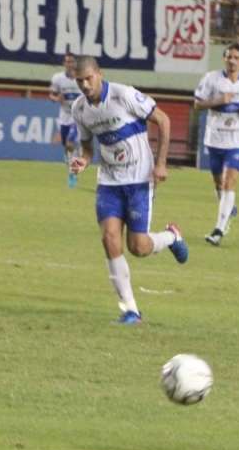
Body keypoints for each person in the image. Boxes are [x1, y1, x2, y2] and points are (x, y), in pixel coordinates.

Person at [68, 56, 190, 324]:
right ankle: (131, 310)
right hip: (109, 182)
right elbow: (88, 148)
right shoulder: (79, 109)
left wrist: (161, 164)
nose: (85, 85)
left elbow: (164, 120)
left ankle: (171, 237)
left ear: (99, 74)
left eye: (89, 78)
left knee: (139, 247)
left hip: (138, 180)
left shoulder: (125, 96)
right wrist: (83, 161)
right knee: (109, 239)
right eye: (80, 81)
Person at [194, 43, 239, 246]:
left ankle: (219, 230)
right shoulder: (211, 79)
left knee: (229, 182)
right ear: (224, 59)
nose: (232, 60)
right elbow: (197, 104)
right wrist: (218, 100)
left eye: (236, 57)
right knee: (218, 184)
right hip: (215, 138)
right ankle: (227, 208)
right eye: (229, 56)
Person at [48, 52, 82, 188]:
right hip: (64, 116)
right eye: (67, 62)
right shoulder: (58, 78)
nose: (69, 64)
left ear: (75, 64)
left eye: (72, 61)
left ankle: (72, 176)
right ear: (64, 63)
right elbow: (51, 95)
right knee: (66, 145)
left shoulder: (81, 79)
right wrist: (57, 99)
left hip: (78, 116)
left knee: (69, 143)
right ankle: (71, 156)